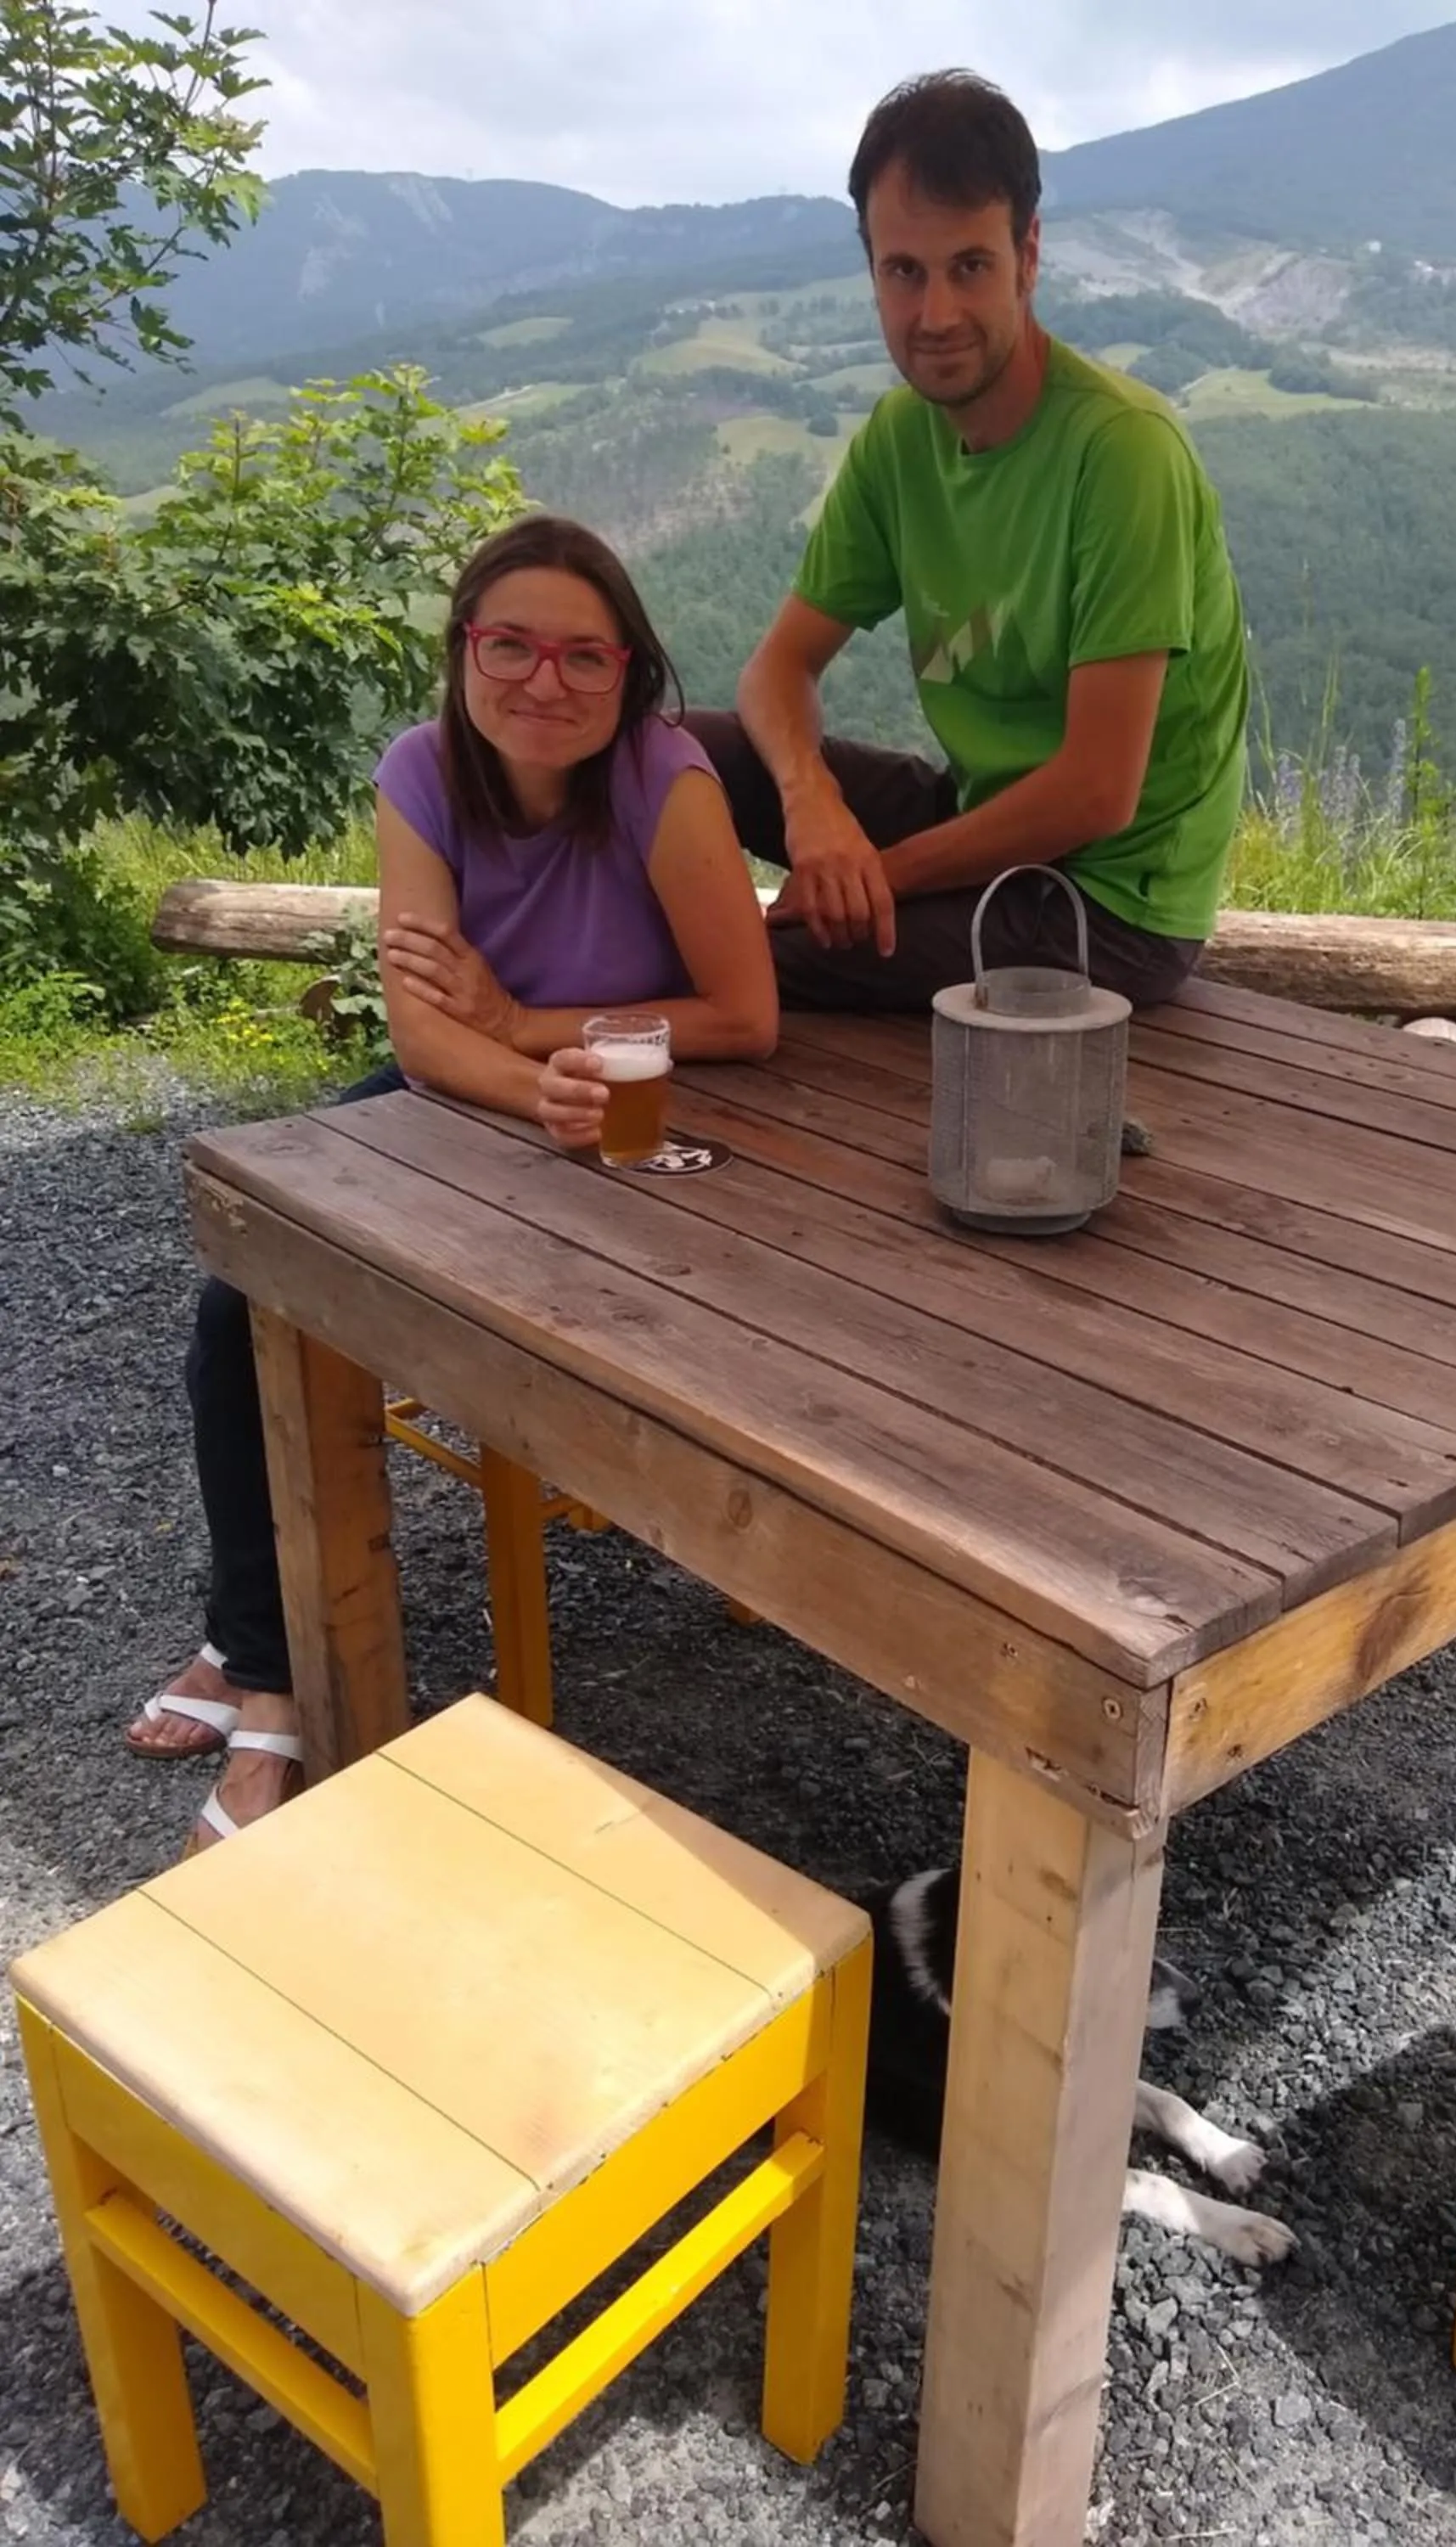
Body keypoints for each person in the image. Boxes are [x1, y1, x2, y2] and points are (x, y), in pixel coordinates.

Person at [129, 512, 777, 1850]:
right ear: (464, 653)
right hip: (480, 1097)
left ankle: (249, 1652)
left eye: (585, 657)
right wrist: (517, 1074)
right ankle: (270, 1666)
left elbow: (742, 1016)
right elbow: (423, 1041)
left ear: (631, 675)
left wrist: (531, 1031)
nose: (546, 682)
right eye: (513, 646)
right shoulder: (422, 774)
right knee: (238, 1298)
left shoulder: (667, 778)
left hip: (636, 1103)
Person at [684, 68, 1249, 1014]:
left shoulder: (1122, 455)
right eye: (904, 271)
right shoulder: (904, 438)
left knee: (733, 951)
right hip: (982, 822)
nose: (935, 315)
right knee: (677, 754)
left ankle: (499, 1060)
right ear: (871, 270)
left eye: (969, 267)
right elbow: (776, 672)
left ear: (1028, 256)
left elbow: (1095, 794)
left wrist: (875, 877)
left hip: (1106, 905)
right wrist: (811, 804)